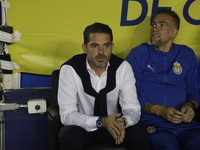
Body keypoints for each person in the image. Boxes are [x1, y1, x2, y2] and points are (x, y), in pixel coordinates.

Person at [58, 22, 150, 150]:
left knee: (139, 133)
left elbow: (132, 108)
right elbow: (67, 115)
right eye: (94, 46)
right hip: (84, 129)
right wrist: (101, 121)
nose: (101, 52)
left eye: (106, 46)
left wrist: (124, 121)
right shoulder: (70, 69)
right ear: (85, 48)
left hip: (115, 129)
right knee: (69, 135)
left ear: (112, 46)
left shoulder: (123, 67)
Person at [126, 8, 200, 150]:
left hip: (186, 125)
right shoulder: (138, 54)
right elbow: (128, 97)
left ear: (174, 32)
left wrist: (192, 105)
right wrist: (158, 109)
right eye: (153, 24)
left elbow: (194, 89)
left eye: (162, 25)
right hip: (153, 124)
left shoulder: (186, 54)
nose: (155, 29)